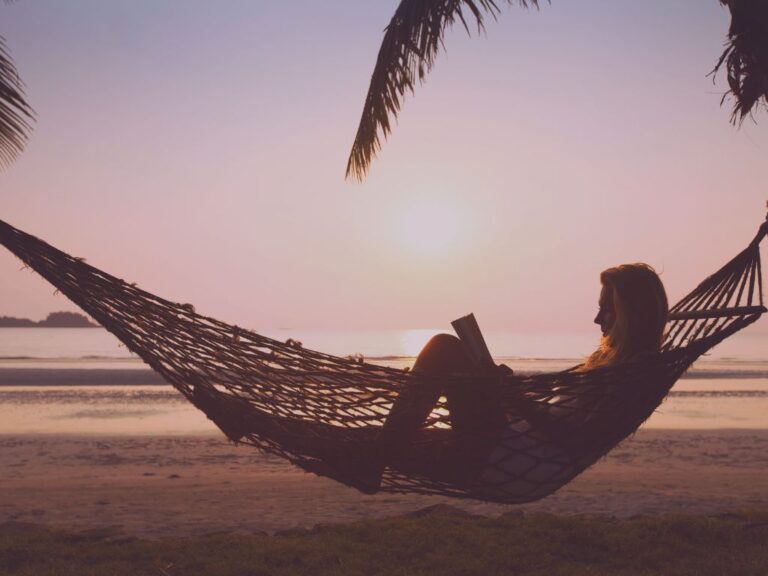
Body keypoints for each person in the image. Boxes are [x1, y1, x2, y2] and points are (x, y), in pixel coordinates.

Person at [371, 263, 669, 492]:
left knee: (444, 348)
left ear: (631, 315)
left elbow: (578, 441)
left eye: (607, 311)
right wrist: (507, 392)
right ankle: (376, 455)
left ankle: (375, 460)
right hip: (512, 446)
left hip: (514, 461)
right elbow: (558, 418)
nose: (596, 319)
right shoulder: (618, 365)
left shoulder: (635, 376)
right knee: (368, 439)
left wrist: (511, 396)